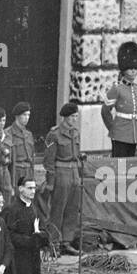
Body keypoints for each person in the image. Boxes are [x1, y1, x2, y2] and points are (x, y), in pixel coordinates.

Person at [42, 101, 83, 254]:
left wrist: (78, 176)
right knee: (58, 209)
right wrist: (51, 181)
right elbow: (48, 160)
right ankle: (54, 242)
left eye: (76, 116)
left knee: (72, 208)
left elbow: (77, 156)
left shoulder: (75, 132)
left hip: (73, 174)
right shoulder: (54, 134)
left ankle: (67, 241)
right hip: (61, 173)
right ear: (65, 117)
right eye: (72, 116)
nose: (75, 119)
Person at [102, 41, 137, 157]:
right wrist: (113, 129)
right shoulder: (117, 88)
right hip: (119, 134)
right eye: (130, 68)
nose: (133, 70)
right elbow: (105, 111)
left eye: (136, 68)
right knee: (119, 167)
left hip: (133, 135)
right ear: (124, 69)